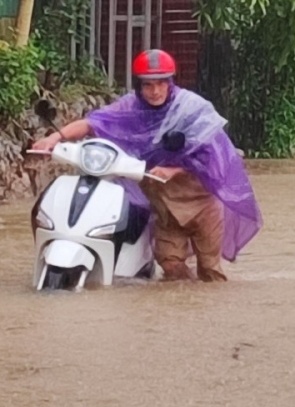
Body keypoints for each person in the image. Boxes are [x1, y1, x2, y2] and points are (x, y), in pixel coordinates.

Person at [31, 49, 261, 281]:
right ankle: (183, 308)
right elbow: (92, 124)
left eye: (161, 84)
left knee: (210, 271)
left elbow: (214, 157)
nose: (155, 91)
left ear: (171, 83)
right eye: (148, 85)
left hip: (201, 206)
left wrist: (174, 170)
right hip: (165, 210)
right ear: (138, 86)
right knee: (171, 268)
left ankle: (207, 308)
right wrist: (53, 139)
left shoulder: (192, 109)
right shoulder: (130, 108)